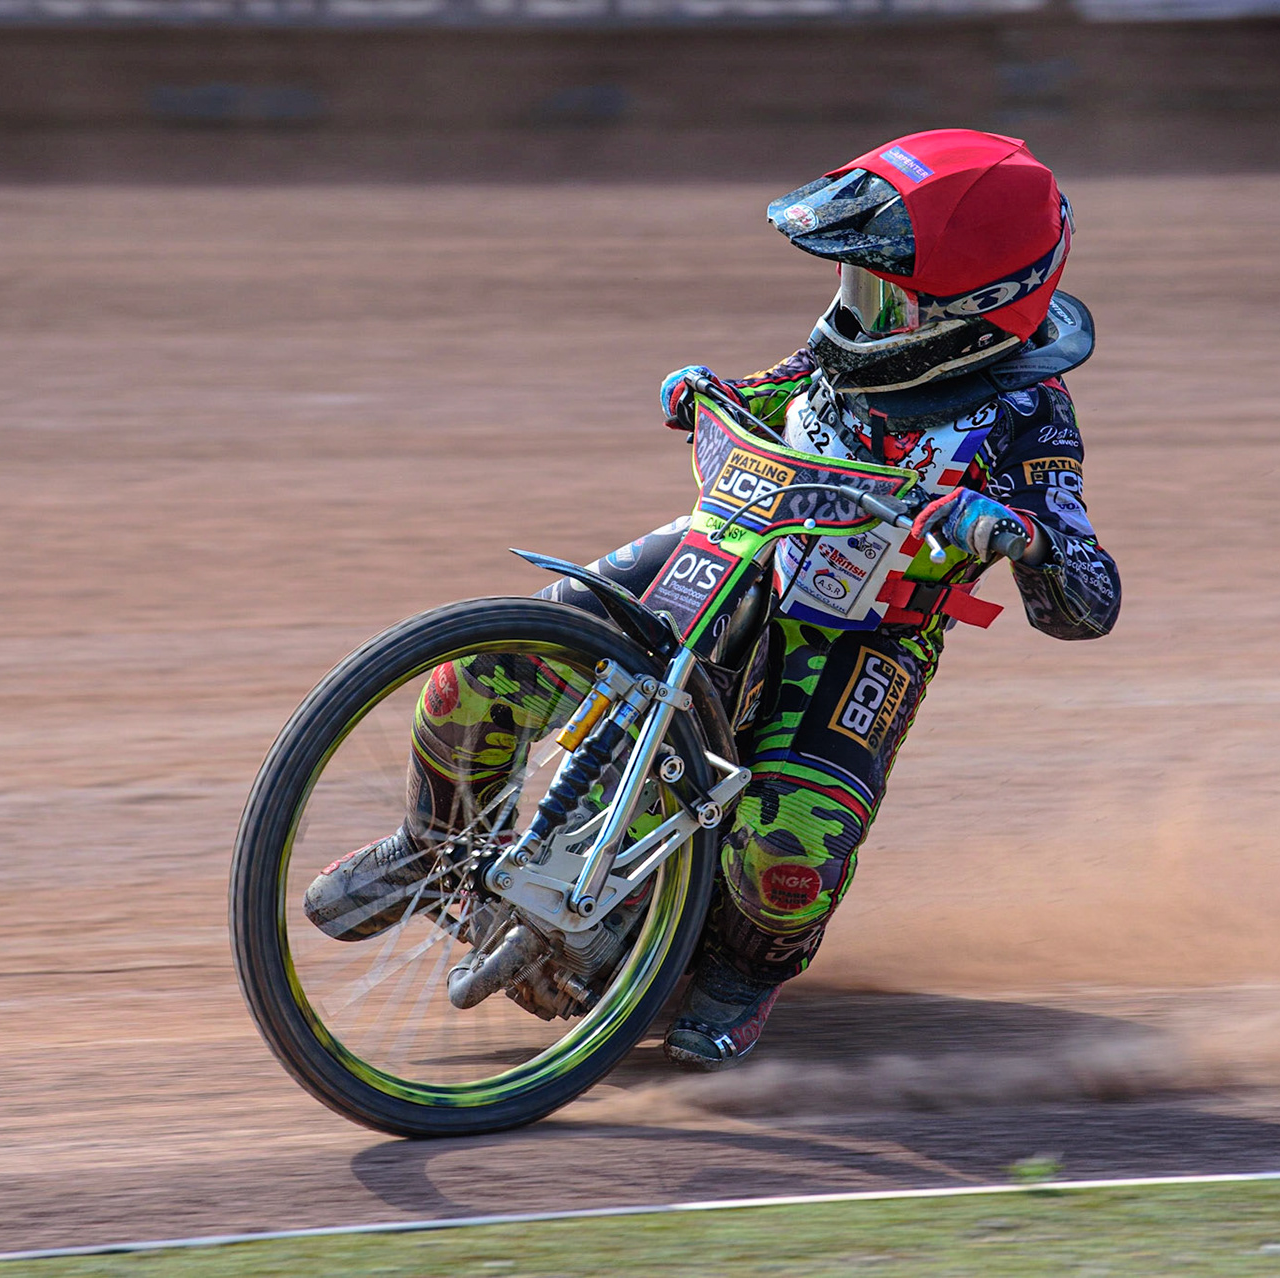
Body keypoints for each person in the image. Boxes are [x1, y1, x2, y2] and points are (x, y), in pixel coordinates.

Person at [305, 129, 1122, 1070]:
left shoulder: (1030, 416)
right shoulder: (857, 349)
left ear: (969, 315)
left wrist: (1016, 536)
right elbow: (777, 392)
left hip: (864, 631)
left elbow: (1089, 597)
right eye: (853, 286)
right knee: (486, 667)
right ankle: (435, 843)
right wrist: (710, 392)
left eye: (883, 296)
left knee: (789, 850)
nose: (853, 314)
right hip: (728, 549)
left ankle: (740, 974)